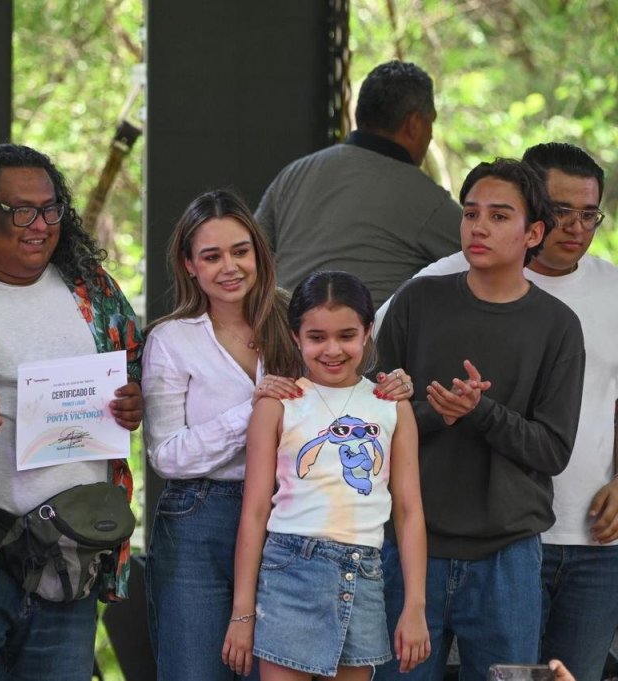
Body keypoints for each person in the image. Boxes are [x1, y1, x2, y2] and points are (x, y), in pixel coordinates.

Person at [141, 191, 415, 681]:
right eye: (212, 256)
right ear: (189, 265)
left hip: (292, 518)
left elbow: (338, 383)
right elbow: (166, 456)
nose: (230, 267)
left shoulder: (293, 315)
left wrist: (392, 385)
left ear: (259, 252)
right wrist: (252, 411)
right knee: (194, 668)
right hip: (200, 514)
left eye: (240, 251)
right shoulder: (172, 338)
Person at [374, 143, 618, 681]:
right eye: (471, 214)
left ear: (532, 232)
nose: (479, 227)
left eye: (499, 216)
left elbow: (552, 449)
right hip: (412, 543)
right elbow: (372, 416)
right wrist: (439, 413)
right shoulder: (419, 298)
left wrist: (480, 411)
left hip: (515, 552)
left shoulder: (559, 324)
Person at [0, 143, 144, 681]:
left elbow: (133, 371)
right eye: (19, 211)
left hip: (72, 549)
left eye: (49, 209)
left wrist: (134, 400)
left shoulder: (91, 289)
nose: (38, 225)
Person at [222, 270, 429, 680]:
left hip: (364, 575)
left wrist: (415, 606)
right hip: (289, 572)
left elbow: (409, 511)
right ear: (296, 336)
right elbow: (255, 512)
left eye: (346, 335)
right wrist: (242, 613)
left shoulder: (391, 405)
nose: (332, 350)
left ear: (367, 332)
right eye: (317, 337)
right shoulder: (278, 403)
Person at [254, 60, 461, 307]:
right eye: (431, 122)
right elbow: (493, 255)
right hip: (360, 331)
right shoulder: (427, 201)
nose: (431, 134)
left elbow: (248, 250)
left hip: (280, 325)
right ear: (414, 124)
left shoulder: (294, 174)